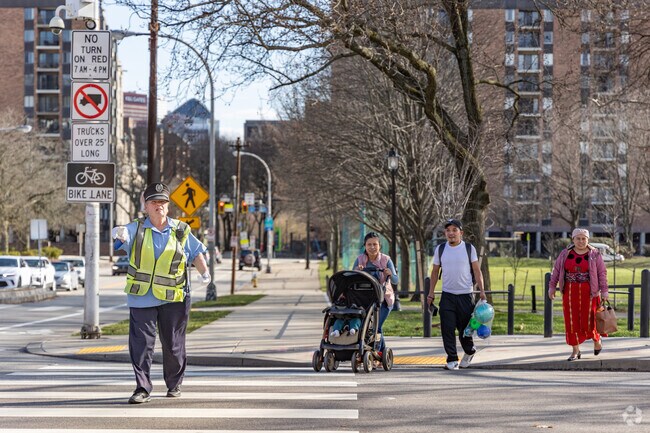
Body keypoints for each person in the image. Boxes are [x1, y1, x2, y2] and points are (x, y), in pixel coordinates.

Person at [112, 182, 209, 404]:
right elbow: (121, 236)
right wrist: (118, 233)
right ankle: (142, 388)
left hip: (173, 297)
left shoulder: (181, 229)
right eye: (154, 202)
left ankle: (174, 383)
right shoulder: (135, 229)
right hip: (141, 296)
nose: (159, 206)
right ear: (145, 206)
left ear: (168, 206)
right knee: (142, 345)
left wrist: (205, 273)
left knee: (173, 344)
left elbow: (196, 253)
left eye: (163, 202)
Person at [426, 219, 486, 370]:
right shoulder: (440, 249)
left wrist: (482, 291)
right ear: (445, 233)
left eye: (454, 230)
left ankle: (469, 351)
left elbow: (477, 270)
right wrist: (431, 293)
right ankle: (452, 359)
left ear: (461, 233)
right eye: (448, 230)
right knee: (447, 328)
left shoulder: (468, 248)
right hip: (447, 296)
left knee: (465, 331)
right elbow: (434, 273)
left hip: (466, 295)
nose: (451, 233)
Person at [548, 228, 609, 361]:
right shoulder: (565, 254)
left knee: (591, 320)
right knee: (572, 321)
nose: (581, 241)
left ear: (587, 240)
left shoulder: (595, 254)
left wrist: (604, 291)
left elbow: (602, 273)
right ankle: (575, 351)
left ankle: (597, 340)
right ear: (573, 239)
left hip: (590, 293)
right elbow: (556, 271)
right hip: (570, 292)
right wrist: (552, 287)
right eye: (578, 238)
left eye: (583, 238)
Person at [352, 232, 398, 356]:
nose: (372, 247)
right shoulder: (360, 259)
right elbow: (352, 277)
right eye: (369, 244)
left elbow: (395, 280)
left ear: (379, 246)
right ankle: (379, 352)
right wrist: (356, 271)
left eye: (375, 244)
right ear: (365, 246)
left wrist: (389, 274)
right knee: (369, 327)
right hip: (366, 298)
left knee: (376, 327)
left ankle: (378, 352)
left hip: (384, 299)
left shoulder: (386, 259)